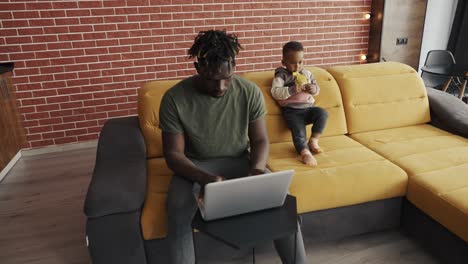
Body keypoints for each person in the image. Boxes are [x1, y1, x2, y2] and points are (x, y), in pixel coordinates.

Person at [159, 30, 307, 264]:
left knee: (283, 202)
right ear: (198, 68)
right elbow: (173, 155)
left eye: (226, 77)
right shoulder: (174, 98)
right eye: (211, 78)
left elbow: (260, 140)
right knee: (177, 208)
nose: (220, 86)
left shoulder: (249, 92)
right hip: (193, 166)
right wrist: (204, 179)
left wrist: (257, 171)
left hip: (240, 160)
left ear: (234, 66)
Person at [271, 41, 328, 166]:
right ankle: (305, 153)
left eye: (300, 62)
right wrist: (291, 90)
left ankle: (313, 140)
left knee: (322, 113)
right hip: (292, 111)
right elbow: (275, 92)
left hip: (308, 109)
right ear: (284, 63)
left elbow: (316, 89)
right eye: (293, 63)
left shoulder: (307, 74)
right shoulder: (282, 76)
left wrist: (313, 89)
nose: (297, 66)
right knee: (298, 132)